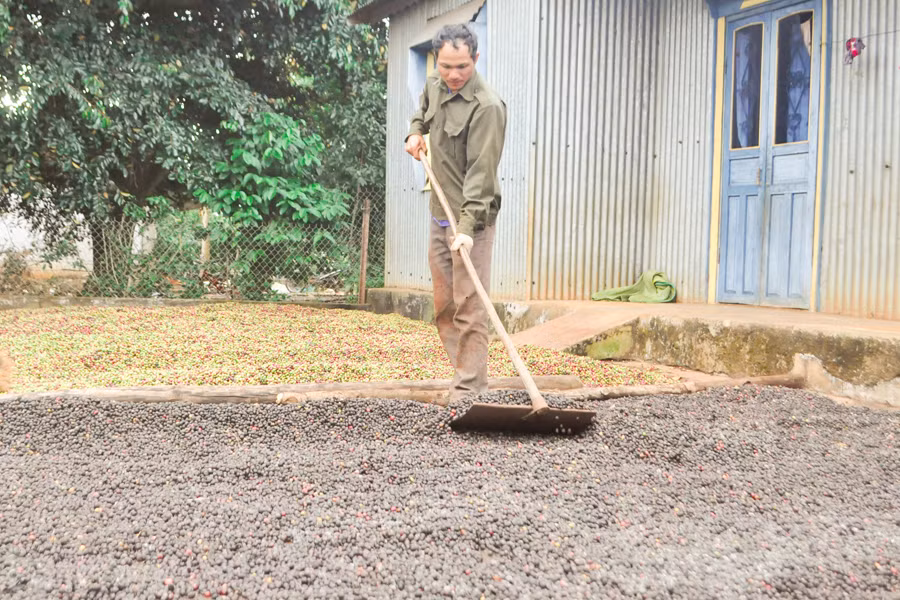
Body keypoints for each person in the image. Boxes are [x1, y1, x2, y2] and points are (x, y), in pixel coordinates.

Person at [405, 23, 507, 404]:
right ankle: (463, 376)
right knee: (445, 306)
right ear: (437, 61)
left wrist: (465, 230)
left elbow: (481, 177)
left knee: (470, 306)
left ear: (475, 59)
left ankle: (469, 391)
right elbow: (422, 111)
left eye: (462, 66)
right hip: (440, 212)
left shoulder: (487, 107)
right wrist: (415, 132)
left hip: (472, 221)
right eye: (446, 66)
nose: (453, 75)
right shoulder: (436, 83)